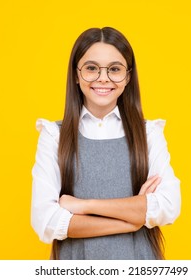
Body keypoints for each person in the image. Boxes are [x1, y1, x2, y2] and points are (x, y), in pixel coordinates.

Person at [31, 27, 181, 260]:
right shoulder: (53, 136)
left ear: (128, 76)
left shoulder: (148, 133)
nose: (103, 78)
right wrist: (133, 218)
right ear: (76, 74)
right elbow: (45, 221)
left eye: (114, 69)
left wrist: (83, 205)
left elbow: (168, 207)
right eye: (91, 68)